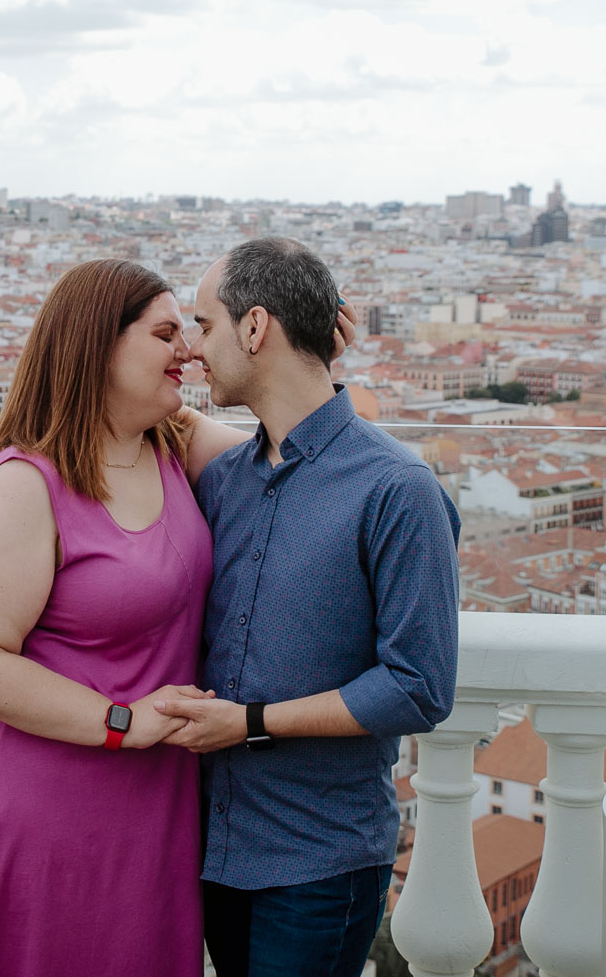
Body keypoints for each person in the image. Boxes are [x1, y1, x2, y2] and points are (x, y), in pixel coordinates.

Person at [0, 258, 215, 977]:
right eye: (164, 333)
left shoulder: (171, 446)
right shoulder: (27, 484)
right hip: (34, 812)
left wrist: (312, 355)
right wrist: (123, 721)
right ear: (99, 344)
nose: (185, 350)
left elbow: (299, 457)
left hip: (145, 817)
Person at [157, 236, 461, 977]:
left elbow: (419, 686)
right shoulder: (226, 478)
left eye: (204, 325)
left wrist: (250, 724)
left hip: (319, 858)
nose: (195, 350)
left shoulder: (397, 489)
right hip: (216, 850)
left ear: (255, 328)